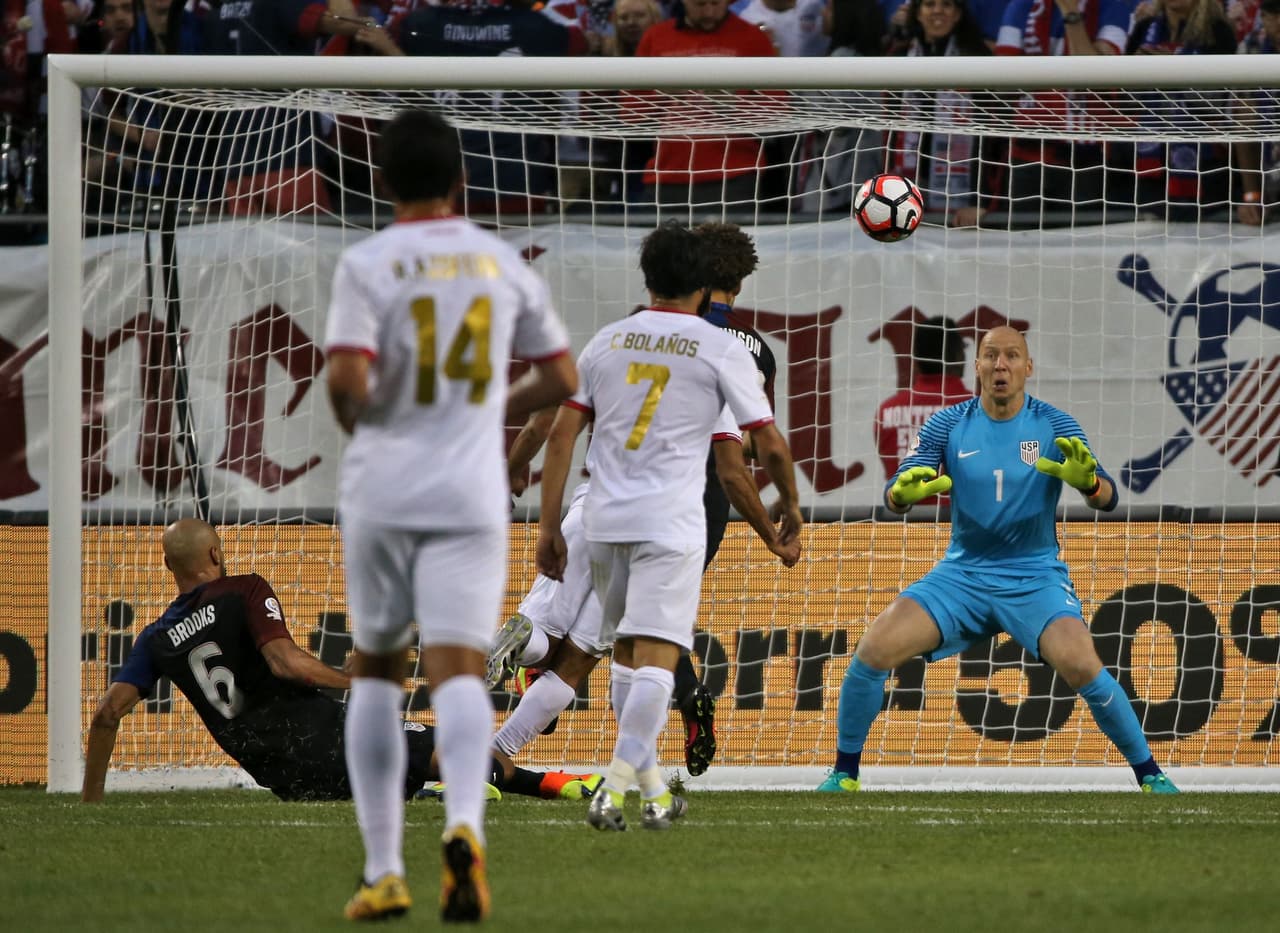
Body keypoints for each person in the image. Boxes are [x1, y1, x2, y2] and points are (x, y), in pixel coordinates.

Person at [324, 108, 577, 922]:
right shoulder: (501, 261)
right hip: (470, 483)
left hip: (388, 483)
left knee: (376, 666)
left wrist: (384, 424)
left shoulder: (368, 261)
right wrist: (491, 405)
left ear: (383, 181)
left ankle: (383, 866)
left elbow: (344, 383)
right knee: (462, 665)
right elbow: (562, 372)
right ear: (460, 180)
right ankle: (465, 825)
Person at [818, 326, 1180, 795]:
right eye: (991, 355)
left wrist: (1089, 483)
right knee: (870, 654)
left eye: (1012, 356)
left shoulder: (1056, 425)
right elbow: (904, 485)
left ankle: (1151, 775)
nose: (1001, 365)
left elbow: (1106, 497)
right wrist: (900, 494)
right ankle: (844, 774)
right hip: (962, 575)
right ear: (978, 366)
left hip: (1033, 576)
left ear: (1029, 367)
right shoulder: (946, 424)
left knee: (1083, 665)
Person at [487, 222, 780, 779]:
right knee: (612, 649)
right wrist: (774, 530)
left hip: (596, 496)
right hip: (678, 509)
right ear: (730, 286)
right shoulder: (726, 351)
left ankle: (505, 724)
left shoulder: (617, 338)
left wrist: (516, 472)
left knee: (554, 632)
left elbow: (556, 423)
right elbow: (740, 459)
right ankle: (635, 773)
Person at [81, 519, 602, 806]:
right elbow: (285, 664)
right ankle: (537, 784)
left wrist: (91, 800)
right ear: (216, 555)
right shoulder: (241, 591)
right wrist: (352, 678)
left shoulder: (156, 637)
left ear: (169, 565)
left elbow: (106, 715)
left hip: (283, 777)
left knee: (403, 772)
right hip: (329, 736)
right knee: (469, 754)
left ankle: (430, 788)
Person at [634, 0, 780, 217]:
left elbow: (778, 109)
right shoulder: (655, 38)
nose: (709, 12)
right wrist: (661, 95)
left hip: (734, 175)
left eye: (715, 3)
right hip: (668, 175)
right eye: (700, 4)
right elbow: (629, 113)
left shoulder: (752, 38)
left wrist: (731, 105)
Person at [873, 314, 970, 492]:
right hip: (959, 518)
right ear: (957, 354)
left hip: (901, 516)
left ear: (916, 360)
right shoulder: (977, 408)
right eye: (963, 349)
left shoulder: (887, 411)